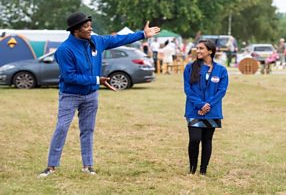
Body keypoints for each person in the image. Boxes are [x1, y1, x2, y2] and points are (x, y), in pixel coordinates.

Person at [38, 11, 160, 177]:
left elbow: (118, 39)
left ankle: (88, 166)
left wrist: (143, 34)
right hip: (70, 95)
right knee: (62, 128)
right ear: (75, 30)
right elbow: (69, 76)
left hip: (91, 95)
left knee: (88, 130)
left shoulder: (96, 41)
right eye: (86, 26)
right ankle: (51, 166)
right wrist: (96, 80)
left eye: (90, 25)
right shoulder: (65, 50)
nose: (90, 29)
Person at [183, 40, 229, 175]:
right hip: (194, 110)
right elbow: (187, 89)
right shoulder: (190, 68)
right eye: (197, 48)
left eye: (201, 48)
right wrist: (201, 104)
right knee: (194, 139)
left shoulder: (221, 70)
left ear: (210, 51)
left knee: (207, 140)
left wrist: (208, 105)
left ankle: (203, 170)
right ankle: (192, 169)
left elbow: (221, 91)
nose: (198, 51)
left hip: (212, 111)